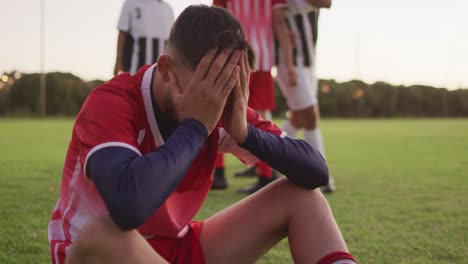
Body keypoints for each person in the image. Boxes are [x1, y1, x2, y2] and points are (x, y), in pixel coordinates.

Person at [48, 5, 355, 264]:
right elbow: (128, 207)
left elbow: (316, 171)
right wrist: (196, 127)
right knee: (102, 235)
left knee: (302, 196)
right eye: (208, 86)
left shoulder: (222, 105)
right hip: (103, 254)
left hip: (176, 247)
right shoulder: (112, 101)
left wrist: (245, 133)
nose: (217, 100)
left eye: (227, 87)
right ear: (166, 69)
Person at [212, 0, 298, 193]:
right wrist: (289, 63)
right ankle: (265, 175)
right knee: (261, 113)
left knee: (220, 107)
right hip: (263, 58)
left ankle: (217, 173)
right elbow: (280, 23)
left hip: (234, 53)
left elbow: (215, 20)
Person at [276, 0, 336, 192]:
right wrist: (289, 64)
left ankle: (269, 160)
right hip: (291, 61)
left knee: (299, 119)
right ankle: (320, 176)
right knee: (310, 116)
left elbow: (327, 3)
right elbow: (277, 21)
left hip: (308, 60)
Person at [114, 0, 174, 75]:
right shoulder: (130, 3)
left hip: (160, 72)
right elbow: (122, 34)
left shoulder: (167, 8)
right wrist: (118, 62)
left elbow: (172, 39)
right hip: (135, 69)